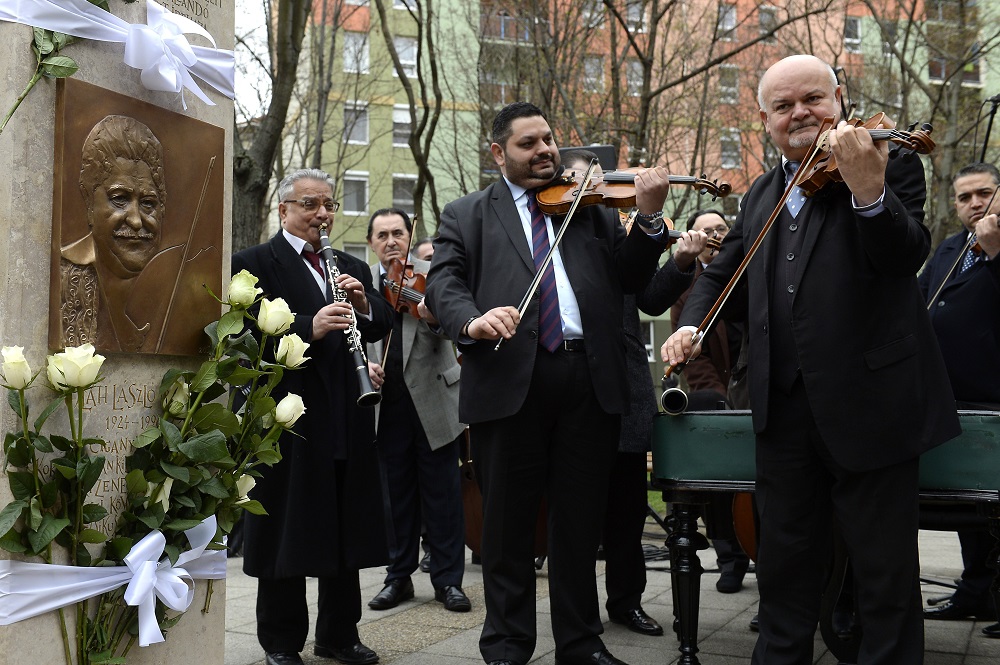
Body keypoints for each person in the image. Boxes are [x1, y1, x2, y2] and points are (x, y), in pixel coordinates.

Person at [661, 55, 960, 664]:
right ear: (765, 119)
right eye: (783, 105)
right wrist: (691, 322)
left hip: (873, 407)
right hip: (784, 413)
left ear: (839, 99)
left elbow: (905, 259)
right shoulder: (764, 191)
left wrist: (868, 189)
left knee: (884, 575)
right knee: (785, 567)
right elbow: (723, 272)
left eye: (813, 99)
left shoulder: (888, 160)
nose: (800, 113)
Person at [425, 102, 670, 665]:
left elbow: (633, 279)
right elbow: (445, 282)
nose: (545, 152)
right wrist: (471, 320)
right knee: (508, 528)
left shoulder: (591, 209)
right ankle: (508, 644)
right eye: (527, 144)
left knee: (580, 525)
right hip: (510, 377)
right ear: (498, 153)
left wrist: (651, 222)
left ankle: (581, 644)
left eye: (549, 140)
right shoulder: (467, 213)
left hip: (589, 377)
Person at [231, 168, 393, 665]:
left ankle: (339, 637)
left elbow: (382, 322)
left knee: (344, 529)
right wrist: (308, 325)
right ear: (284, 209)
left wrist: (365, 308)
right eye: (309, 205)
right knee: (287, 530)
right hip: (288, 420)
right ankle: (281, 643)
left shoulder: (347, 264)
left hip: (346, 416)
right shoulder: (254, 262)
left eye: (328, 205)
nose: (321, 214)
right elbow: (239, 334)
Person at [559, 149, 707, 638]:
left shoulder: (623, 229)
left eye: (599, 180)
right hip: (573, 390)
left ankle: (626, 602)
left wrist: (682, 261)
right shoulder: (548, 234)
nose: (596, 190)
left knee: (626, 508)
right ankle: (576, 614)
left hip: (622, 386)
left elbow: (647, 298)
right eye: (583, 181)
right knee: (575, 513)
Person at [363, 208, 470, 613]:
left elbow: (457, 325)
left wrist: (433, 314)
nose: (391, 241)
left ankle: (448, 581)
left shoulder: (435, 274)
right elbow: (356, 334)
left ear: (410, 236)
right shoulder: (363, 282)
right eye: (382, 235)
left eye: (398, 233)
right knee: (396, 497)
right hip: (384, 403)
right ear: (372, 242)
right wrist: (364, 365)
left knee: (443, 494)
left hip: (434, 397)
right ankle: (398, 577)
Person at [918, 162, 1000, 637]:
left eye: (984, 194)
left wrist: (996, 253)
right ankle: (977, 593)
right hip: (947, 394)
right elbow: (918, 299)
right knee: (971, 505)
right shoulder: (949, 247)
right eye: (964, 197)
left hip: (993, 396)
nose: (974, 204)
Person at [60, 114, 219, 355]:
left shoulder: (186, 285)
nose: (135, 220)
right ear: (89, 201)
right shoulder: (64, 278)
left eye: (148, 203)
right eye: (119, 199)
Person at [669, 209, 752, 594]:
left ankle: (768, 559)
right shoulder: (689, 291)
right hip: (719, 396)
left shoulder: (751, 271)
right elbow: (694, 360)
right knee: (720, 485)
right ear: (695, 239)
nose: (716, 235)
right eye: (706, 231)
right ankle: (729, 558)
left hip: (756, 388)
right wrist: (722, 403)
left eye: (721, 228)